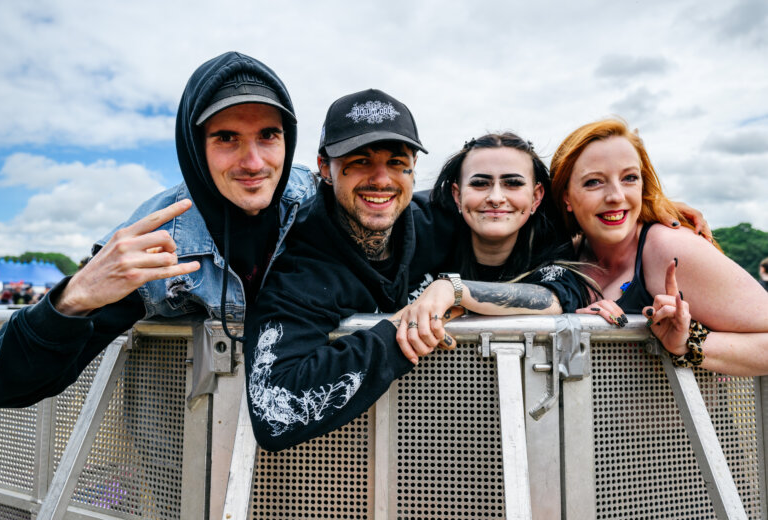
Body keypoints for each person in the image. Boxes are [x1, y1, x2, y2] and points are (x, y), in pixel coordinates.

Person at [0, 52, 316, 408]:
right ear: (194, 147)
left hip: (316, 454)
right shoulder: (150, 242)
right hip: (183, 453)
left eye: (268, 135)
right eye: (226, 138)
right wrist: (75, 296)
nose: (253, 162)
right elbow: (3, 385)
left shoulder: (320, 202)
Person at [244, 91, 556, 451]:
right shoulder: (300, 264)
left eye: (396, 162)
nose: (381, 179)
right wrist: (401, 331)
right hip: (344, 466)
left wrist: (453, 290)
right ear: (324, 168)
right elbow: (274, 414)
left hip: (462, 441)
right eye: (360, 161)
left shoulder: (443, 220)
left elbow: (556, 283)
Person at [549, 118, 768, 375]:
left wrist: (688, 343)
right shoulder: (563, 254)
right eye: (593, 182)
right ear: (566, 197)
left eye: (629, 178)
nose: (616, 196)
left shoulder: (669, 248)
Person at [393, 132, 596, 353]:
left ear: (536, 197)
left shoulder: (549, 235)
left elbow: (554, 298)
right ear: (457, 195)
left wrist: (453, 290)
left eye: (513, 183)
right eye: (480, 183)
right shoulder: (417, 226)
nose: (496, 198)